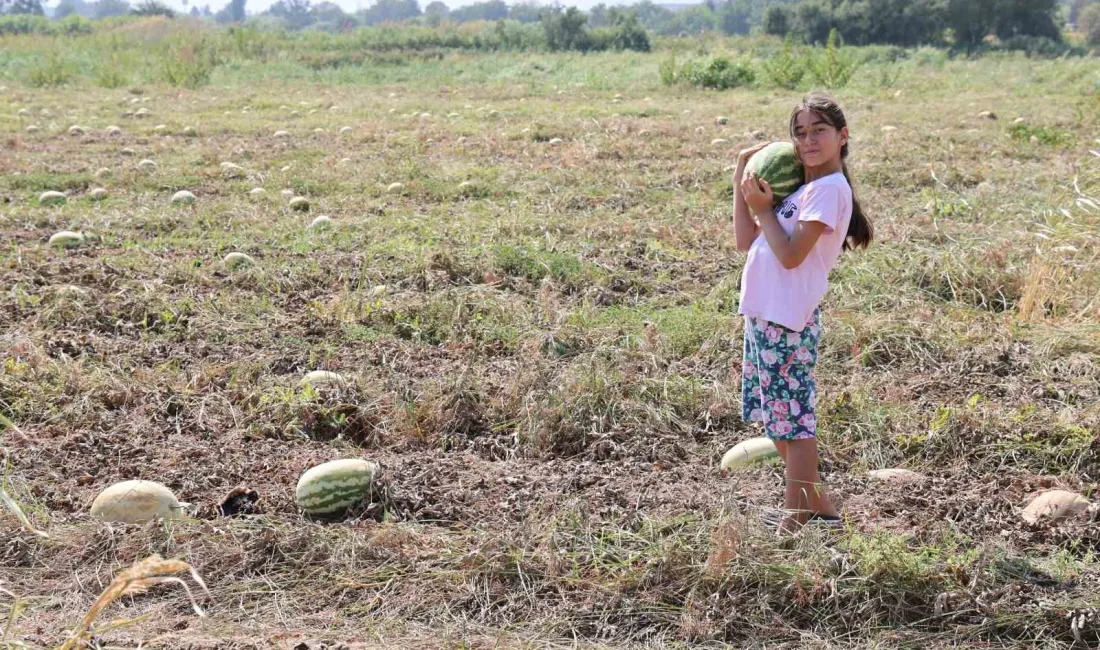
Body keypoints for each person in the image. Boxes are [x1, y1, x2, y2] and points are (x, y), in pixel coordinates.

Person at [731, 92, 873, 535]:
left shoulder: (830, 190)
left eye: (819, 131)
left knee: (794, 421)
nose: (808, 140)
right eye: (800, 132)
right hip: (765, 313)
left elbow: (792, 256)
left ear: (842, 136)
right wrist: (743, 176)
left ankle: (795, 519)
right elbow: (744, 239)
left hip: (788, 318)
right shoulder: (807, 189)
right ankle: (819, 508)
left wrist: (762, 210)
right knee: (778, 418)